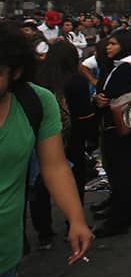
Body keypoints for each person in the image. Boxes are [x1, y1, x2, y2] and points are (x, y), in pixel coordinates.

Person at [0, 22, 92, 277]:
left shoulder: (36, 102)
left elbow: (54, 166)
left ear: (16, 72)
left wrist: (76, 219)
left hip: (5, 252)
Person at [29, 39, 96, 245]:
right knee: (73, 180)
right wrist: (91, 137)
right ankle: (73, 223)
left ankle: (44, 233)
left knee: (39, 184)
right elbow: (84, 114)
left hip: (41, 138)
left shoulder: (37, 79)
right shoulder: (76, 80)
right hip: (72, 139)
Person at [91, 28, 131, 237]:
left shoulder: (126, 67)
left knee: (123, 171)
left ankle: (121, 218)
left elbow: (113, 95)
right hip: (119, 126)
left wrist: (101, 100)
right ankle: (121, 210)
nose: (108, 47)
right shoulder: (121, 65)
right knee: (122, 170)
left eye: (113, 44)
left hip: (119, 126)